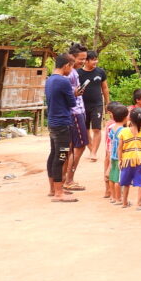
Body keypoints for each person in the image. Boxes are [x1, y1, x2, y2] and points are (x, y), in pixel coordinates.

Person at [43, 54, 77, 202]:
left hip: (52, 122)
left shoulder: (50, 79)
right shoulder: (64, 81)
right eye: (72, 66)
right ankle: (58, 192)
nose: (72, 70)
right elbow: (71, 103)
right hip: (62, 123)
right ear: (66, 65)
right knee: (61, 156)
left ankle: (53, 188)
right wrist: (74, 94)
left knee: (54, 154)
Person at [63, 44, 89, 190]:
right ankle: (69, 179)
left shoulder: (73, 72)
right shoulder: (70, 73)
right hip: (75, 112)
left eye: (85, 59)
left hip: (78, 110)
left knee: (72, 147)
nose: (83, 62)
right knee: (79, 146)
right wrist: (75, 93)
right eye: (81, 59)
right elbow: (67, 94)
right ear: (72, 57)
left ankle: (65, 178)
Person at [78, 50, 110, 162]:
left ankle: (94, 152)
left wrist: (107, 103)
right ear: (86, 61)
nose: (96, 61)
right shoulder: (78, 73)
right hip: (82, 106)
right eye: (93, 59)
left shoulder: (100, 72)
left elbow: (105, 88)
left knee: (97, 128)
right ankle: (91, 149)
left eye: (96, 59)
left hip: (97, 104)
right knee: (85, 129)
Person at [117, 108, 141, 209]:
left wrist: (120, 160)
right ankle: (139, 204)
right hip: (140, 160)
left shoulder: (123, 131)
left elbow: (120, 148)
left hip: (127, 160)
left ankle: (124, 203)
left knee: (126, 182)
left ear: (129, 119)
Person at [106, 104, 129, 204]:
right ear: (125, 117)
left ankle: (112, 196)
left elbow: (111, 140)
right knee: (118, 179)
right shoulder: (123, 130)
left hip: (113, 155)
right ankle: (118, 198)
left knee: (112, 176)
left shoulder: (113, 128)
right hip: (120, 156)